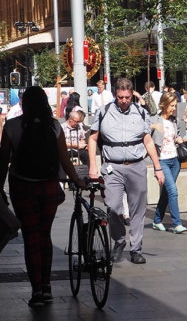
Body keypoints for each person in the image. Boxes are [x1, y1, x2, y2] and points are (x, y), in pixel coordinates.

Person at [0, 86, 85, 307]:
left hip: (22, 187)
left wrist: (0, 188)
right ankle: (47, 287)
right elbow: (65, 160)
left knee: (31, 237)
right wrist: (77, 180)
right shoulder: (54, 126)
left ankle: (36, 290)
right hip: (48, 187)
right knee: (44, 235)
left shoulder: (11, 126)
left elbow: (2, 162)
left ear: (24, 104)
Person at [87, 78, 164, 265]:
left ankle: (136, 249)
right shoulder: (103, 112)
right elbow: (93, 138)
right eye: (120, 97)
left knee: (138, 209)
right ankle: (119, 240)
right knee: (113, 207)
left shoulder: (140, 112)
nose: (123, 101)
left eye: (127, 97)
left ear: (132, 95)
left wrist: (157, 167)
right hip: (112, 166)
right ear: (115, 95)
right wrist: (93, 165)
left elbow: (147, 140)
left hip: (136, 165)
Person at [150, 93, 187, 234]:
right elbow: (146, 136)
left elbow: (177, 135)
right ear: (164, 105)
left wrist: (179, 139)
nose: (174, 108)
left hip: (175, 160)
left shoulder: (174, 120)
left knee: (166, 191)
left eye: (174, 106)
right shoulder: (155, 119)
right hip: (162, 160)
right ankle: (177, 224)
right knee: (172, 190)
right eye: (171, 106)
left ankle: (157, 220)